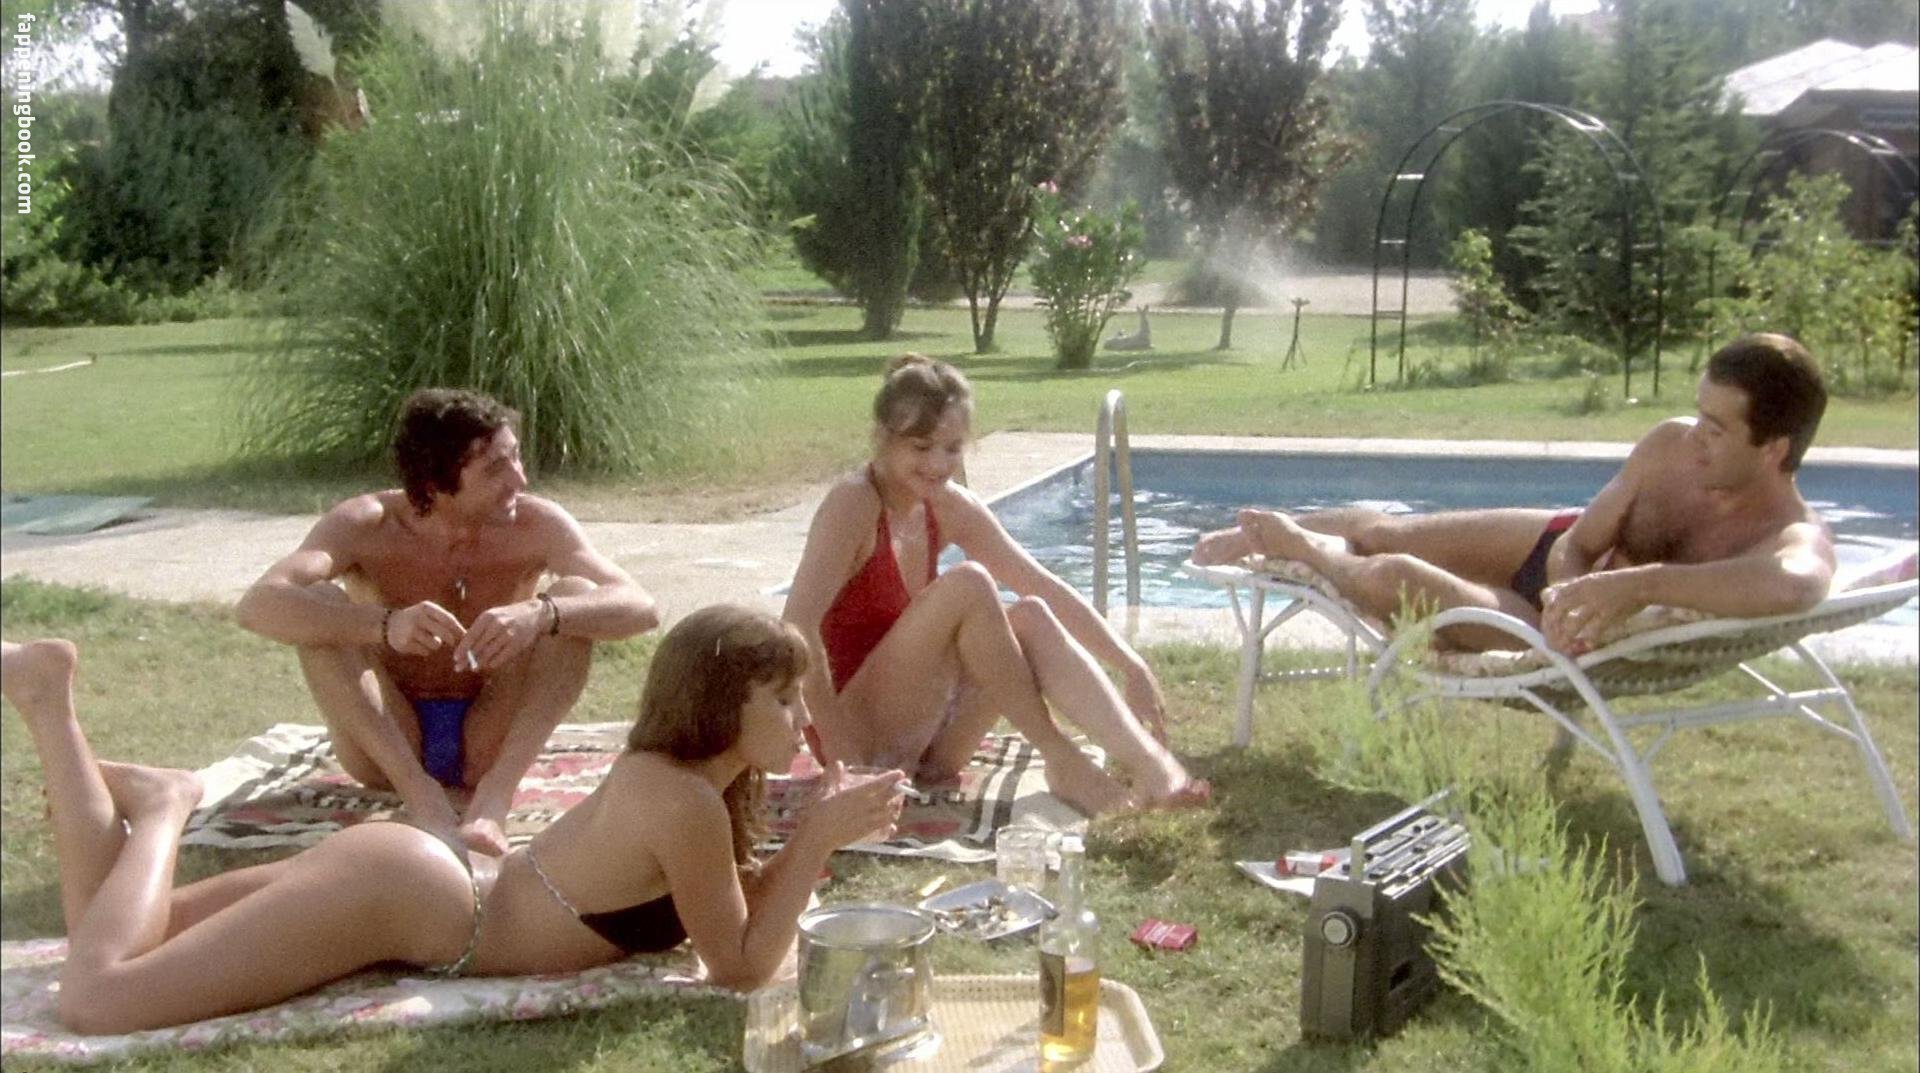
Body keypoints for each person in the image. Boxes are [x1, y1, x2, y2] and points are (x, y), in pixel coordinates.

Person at [0, 606, 906, 1035]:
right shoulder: (684, 799)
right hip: (412, 898)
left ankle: (46, 698)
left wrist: (812, 837)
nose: (801, 719)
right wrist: (818, 839)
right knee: (98, 998)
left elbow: (733, 915)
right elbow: (740, 968)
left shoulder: (682, 784)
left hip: (414, 879)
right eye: (781, 698)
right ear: (720, 702)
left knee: (105, 926)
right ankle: (166, 805)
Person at [1192, 333, 1836, 653]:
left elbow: (1796, 585)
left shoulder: (1790, 537)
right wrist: (1572, 583)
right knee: (1385, 532)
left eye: (1716, 429)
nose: (1694, 436)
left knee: (1395, 574)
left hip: (1551, 631)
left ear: (1774, 449)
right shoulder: (1670, 445)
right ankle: (1259, 531)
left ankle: (1305, 548)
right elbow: (1579, 540)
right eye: (1698, 415)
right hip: (1558, 562)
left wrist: (1632, 588)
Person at [235, 388, 659, 856]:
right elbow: (258, 605)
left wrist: (539, 614)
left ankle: (495, 798)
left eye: (516, 458)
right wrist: (384, 625)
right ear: (434, 481)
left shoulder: (536, 525)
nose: (518, 479)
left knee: (575, 601)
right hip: (388, 737)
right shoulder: (367, 524)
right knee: (317, 605)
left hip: (490, 734)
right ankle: (420, 795)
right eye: (495, 469)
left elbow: (641, 606)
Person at [782, 354, 1209, 816]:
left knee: (1030, 615)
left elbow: (1041, 584)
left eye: (951, 448)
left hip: (928, 742)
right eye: (921, 447)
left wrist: (1131, 665)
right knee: (969, 584)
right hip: (856, 738)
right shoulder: (854, 503)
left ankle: (1159, 771)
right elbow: (796, 626)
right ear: (883, 438)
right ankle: (1061, 757)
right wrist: (844, 761)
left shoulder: (947, 505)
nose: (937, 464)